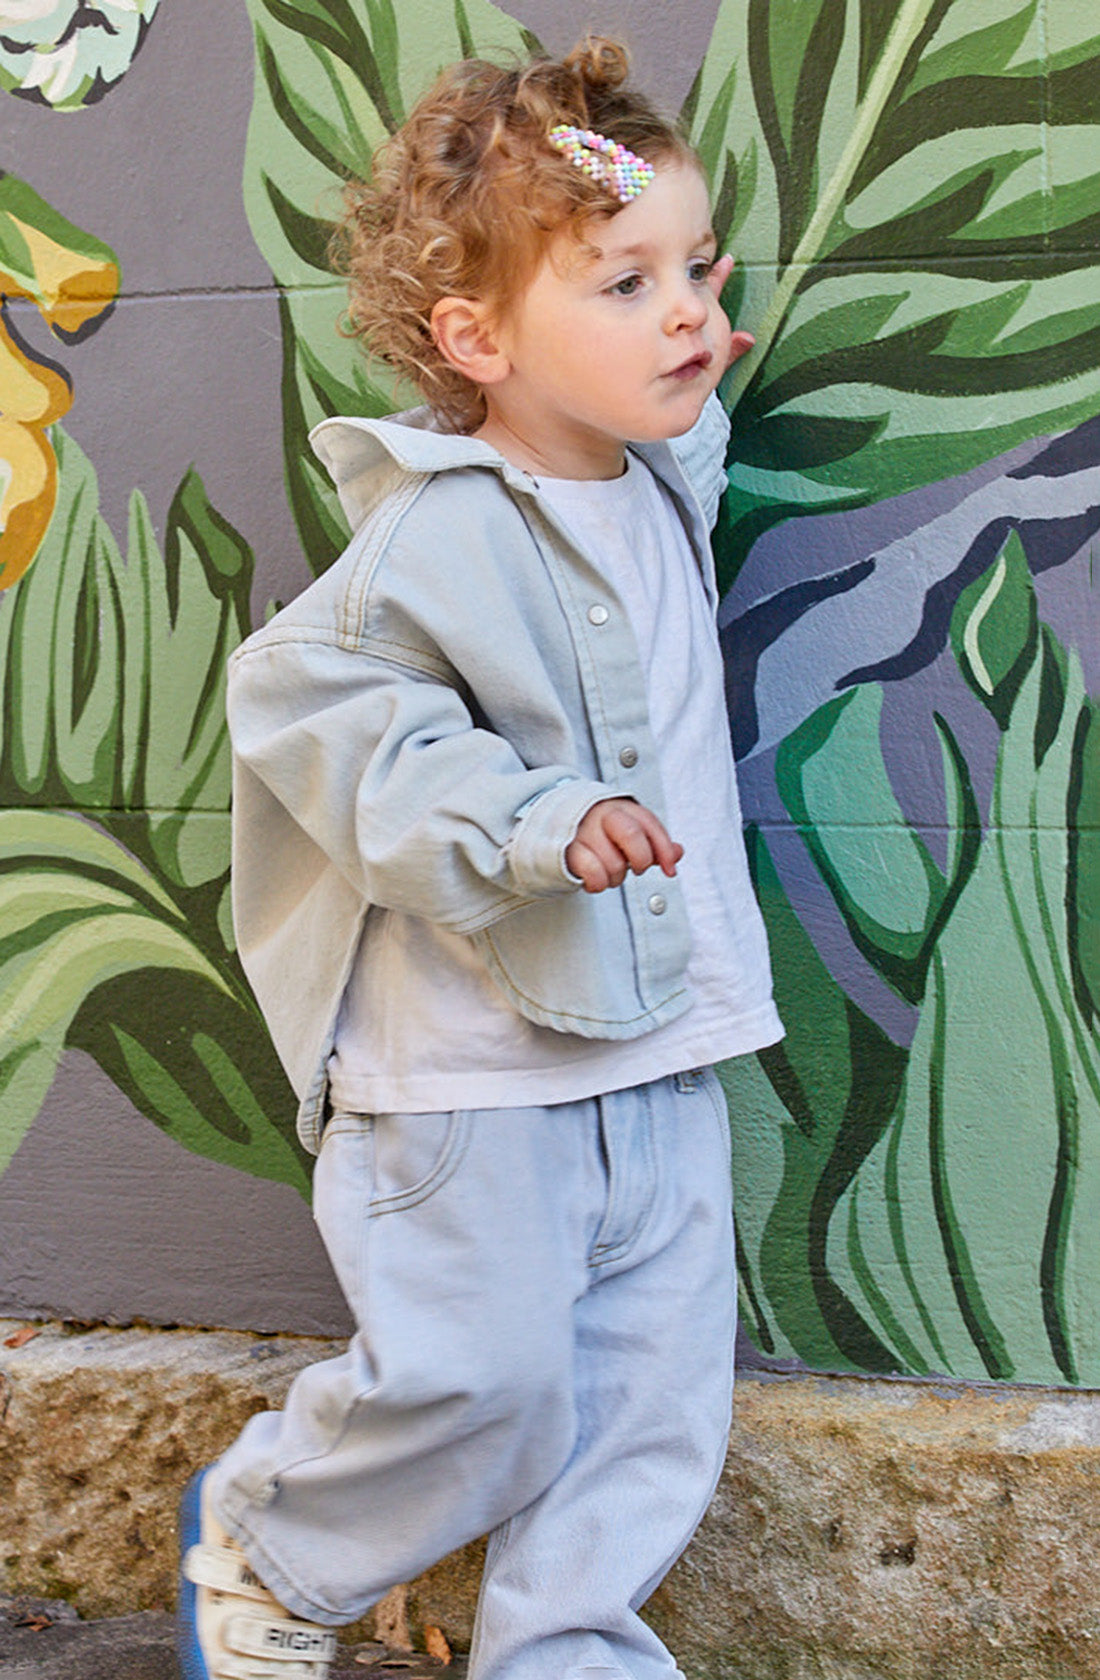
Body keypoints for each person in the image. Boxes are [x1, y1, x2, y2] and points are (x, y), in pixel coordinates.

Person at [177, 34, 782, 1680]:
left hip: (663, 1052)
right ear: (476, 339)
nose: (684, 315)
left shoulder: (658, 475)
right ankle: (274, 1545)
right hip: (471, 1086)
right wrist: (531, 817)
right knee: (488, 1386)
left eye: (694, 270)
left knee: (647, 1412)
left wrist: (667, 304)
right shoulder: (436, 535)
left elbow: (681, 380)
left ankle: (566, 1652)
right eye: (621, 282)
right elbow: (313, 712)